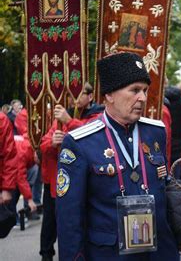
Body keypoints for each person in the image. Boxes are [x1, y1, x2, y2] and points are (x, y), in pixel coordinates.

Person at [56, 52, 179, 260]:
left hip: (159, 252)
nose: (142, 97)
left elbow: (163, 187)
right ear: (109, 95)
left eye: (145, 90)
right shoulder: (80, 143)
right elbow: (70, 219)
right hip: (109, 254)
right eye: (134, 90)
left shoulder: (156, 132)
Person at [39, 82, 103, 261]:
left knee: (75, 224)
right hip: (56, 181)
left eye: (79, 93)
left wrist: (70, 122)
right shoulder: (59, 118)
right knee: (50, 223)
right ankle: (46, 255)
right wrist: (52, 142)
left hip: (83, 181)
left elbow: (93, 136)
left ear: (90, 97)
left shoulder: (97, 115)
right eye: (71, 94)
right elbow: (43, 144)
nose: (74, 98)